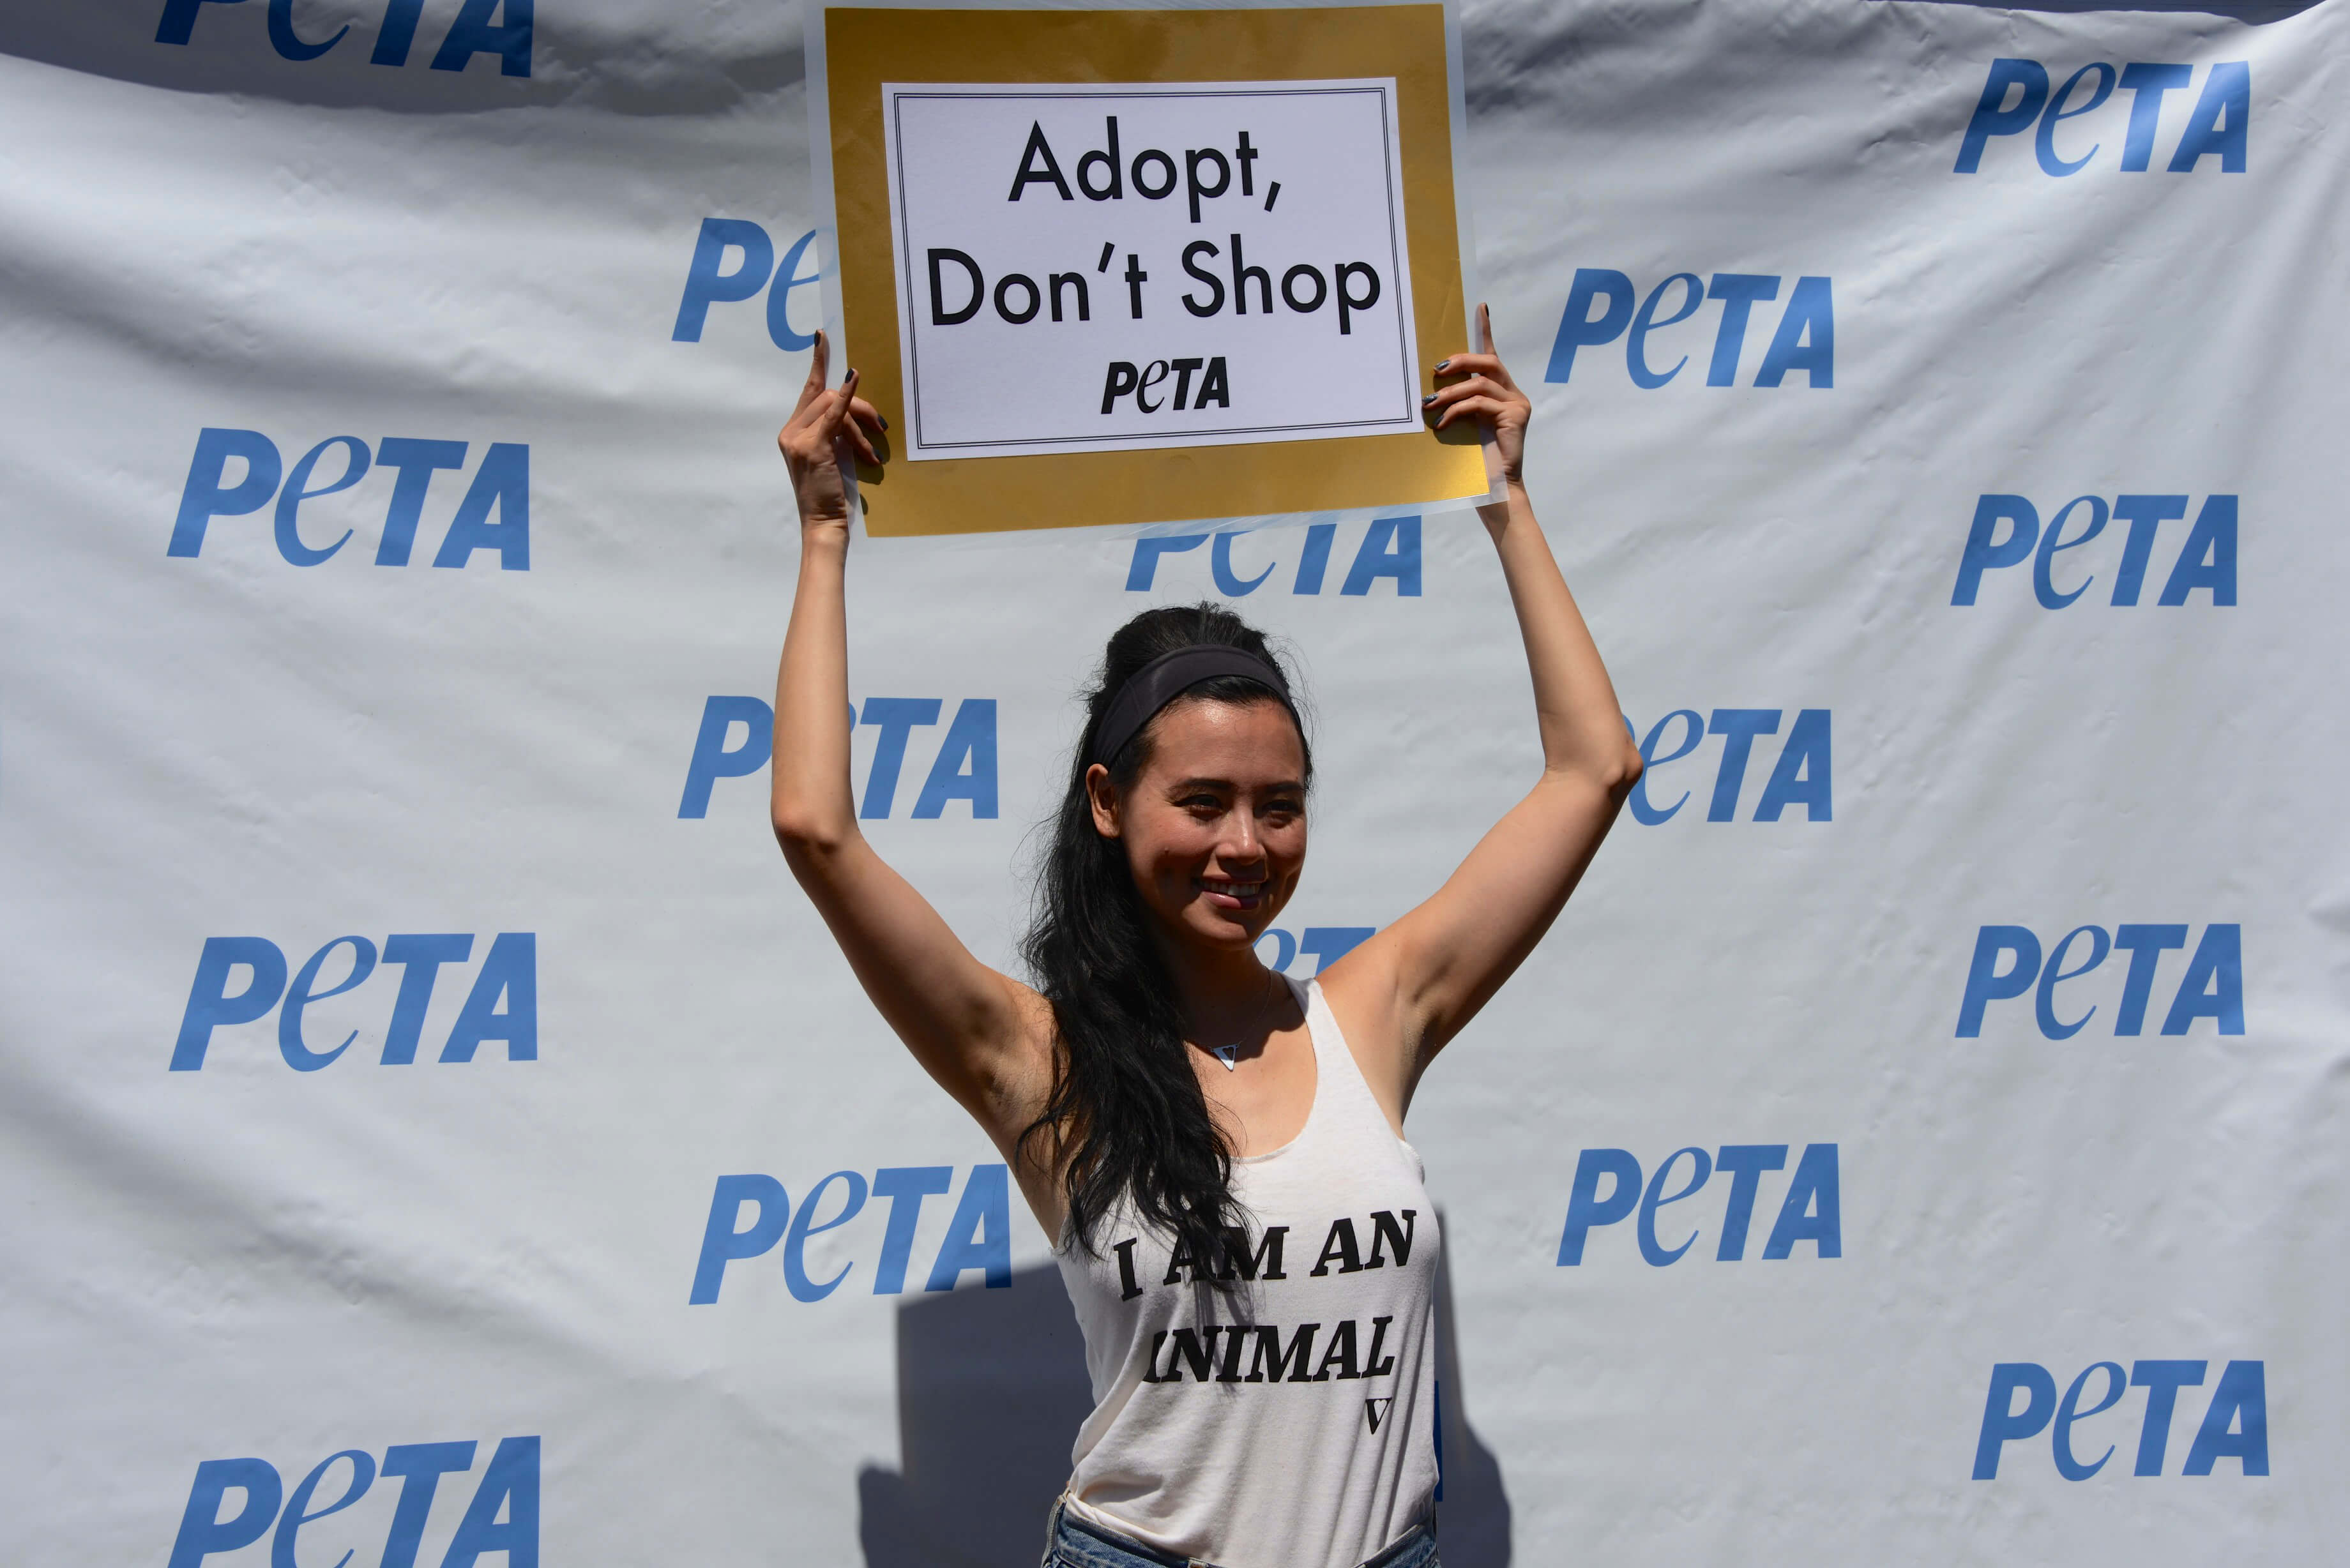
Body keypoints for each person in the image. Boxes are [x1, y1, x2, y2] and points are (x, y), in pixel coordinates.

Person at [769, 308, 1641, 1568]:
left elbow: (1592, 770)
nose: (1244, 844)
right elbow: (816, 828)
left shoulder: (1371, 1015)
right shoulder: (1037, 1059)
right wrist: (822, 532)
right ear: (1109, 802)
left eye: (1279, 805)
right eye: (1202, 802)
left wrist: (1503, 496)